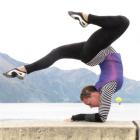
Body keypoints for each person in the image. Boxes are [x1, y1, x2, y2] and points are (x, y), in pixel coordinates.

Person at [3, 11, 130, 122]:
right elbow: (102, 117)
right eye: (89, 104)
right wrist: (76, 117)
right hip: (96, 52)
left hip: (95, 52)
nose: (91, 107)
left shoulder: (104, 87)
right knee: (123, 22)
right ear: (92, 94)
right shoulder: (107, 88)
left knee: (59, 52)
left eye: (89, 105)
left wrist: (75, 117)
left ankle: (25, 70)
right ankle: (24, 70)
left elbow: (100, 116)